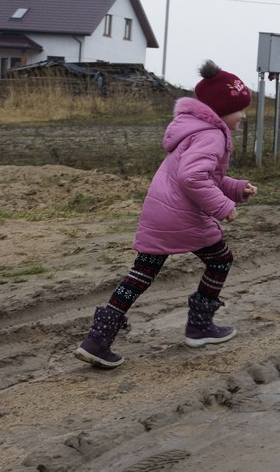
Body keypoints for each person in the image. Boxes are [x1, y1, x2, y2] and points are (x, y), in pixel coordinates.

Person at [74, 60, 257, 368]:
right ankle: (200, 326)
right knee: (220, 260)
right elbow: (192, 178)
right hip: (183, 215)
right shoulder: (212, 135)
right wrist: (224, 207)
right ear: (223, 109)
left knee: (141, 274)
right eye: (240, 109)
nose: (243, 115)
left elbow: (202, 175)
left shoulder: (194, 130)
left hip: (160, 211)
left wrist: (236, 188)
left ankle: (97, 339)